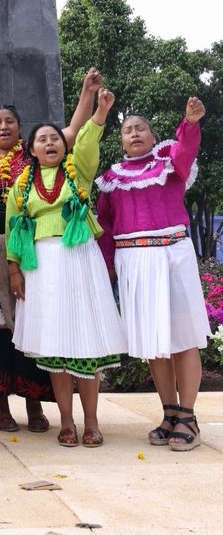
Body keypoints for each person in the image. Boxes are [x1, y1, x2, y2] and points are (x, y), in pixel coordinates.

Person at [0, 68, 104, 432]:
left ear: (23, 132)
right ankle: (0, 406)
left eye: (10, 121)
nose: (3, 126)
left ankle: (36, 407)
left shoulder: (35, 160)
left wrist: (87, 93)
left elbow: (70, 133)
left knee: (35, 322)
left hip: (35, 253)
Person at [6, 87, 127, 448]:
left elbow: (88, 144)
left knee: (85, 344)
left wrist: (100, 113)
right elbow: (14, 228)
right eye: (42, 139)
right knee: (56, 347)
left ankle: (92, 423)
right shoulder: (21, 186)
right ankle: (67, 423)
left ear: (64, 146)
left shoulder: (79, 174)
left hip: (79, 262)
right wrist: (14, 271)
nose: (50, 143)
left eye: (55, 138)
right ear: (31, 149)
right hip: (41, 268)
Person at [96, 96, 210, 451]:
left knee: (183, 336)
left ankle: (188, 416)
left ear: (152, 134)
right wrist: (107, 272)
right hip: (133, 261)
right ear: (121, 140)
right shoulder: (111, 180)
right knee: (155, 342)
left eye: (140, 127)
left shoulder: (169, 163)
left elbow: (186, 150)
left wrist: (189, 123)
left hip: (172, 254)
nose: (134, 133)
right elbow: (106, 228)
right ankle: (169, 412)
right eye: (127, 130)